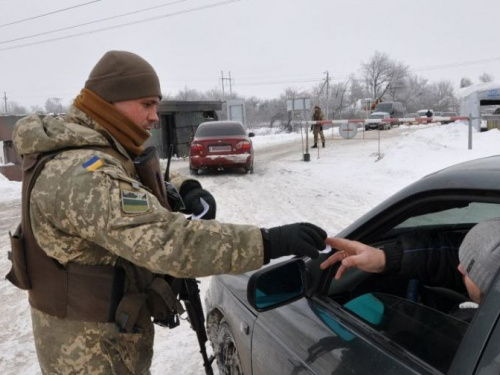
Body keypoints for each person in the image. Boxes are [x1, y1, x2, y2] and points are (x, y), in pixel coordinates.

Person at [7, 50, 327, 375]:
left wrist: (185, 188)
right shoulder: (83, 174)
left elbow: (133, 170)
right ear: (108, 102)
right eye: (147, 104)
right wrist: (270, 242)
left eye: (156, 105)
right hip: (89, 358)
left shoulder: (93, 149)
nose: (155, 116)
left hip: (101, 345)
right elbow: (170, 243)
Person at [320, 217, 500, 322]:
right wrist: (387, 258)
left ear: (490, 283)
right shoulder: (488, 299)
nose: (459, 267)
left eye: (469, 268)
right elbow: (447, 255)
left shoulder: (470, 334)